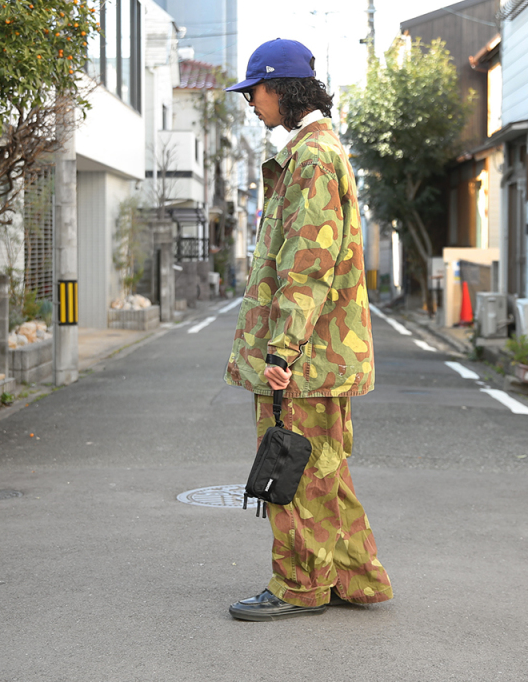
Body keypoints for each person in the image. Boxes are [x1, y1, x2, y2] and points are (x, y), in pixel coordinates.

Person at [224, 38, 393, 621]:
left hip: (305, 355)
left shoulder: (312, 157)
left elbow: (307, 264)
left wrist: (282, 351)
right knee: (323, 467)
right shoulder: (315, 152)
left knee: (291, 468)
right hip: (323, 352)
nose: (251, 103)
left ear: (281, 89)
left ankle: (300, 585)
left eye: (255, 92)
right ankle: (353, 577)